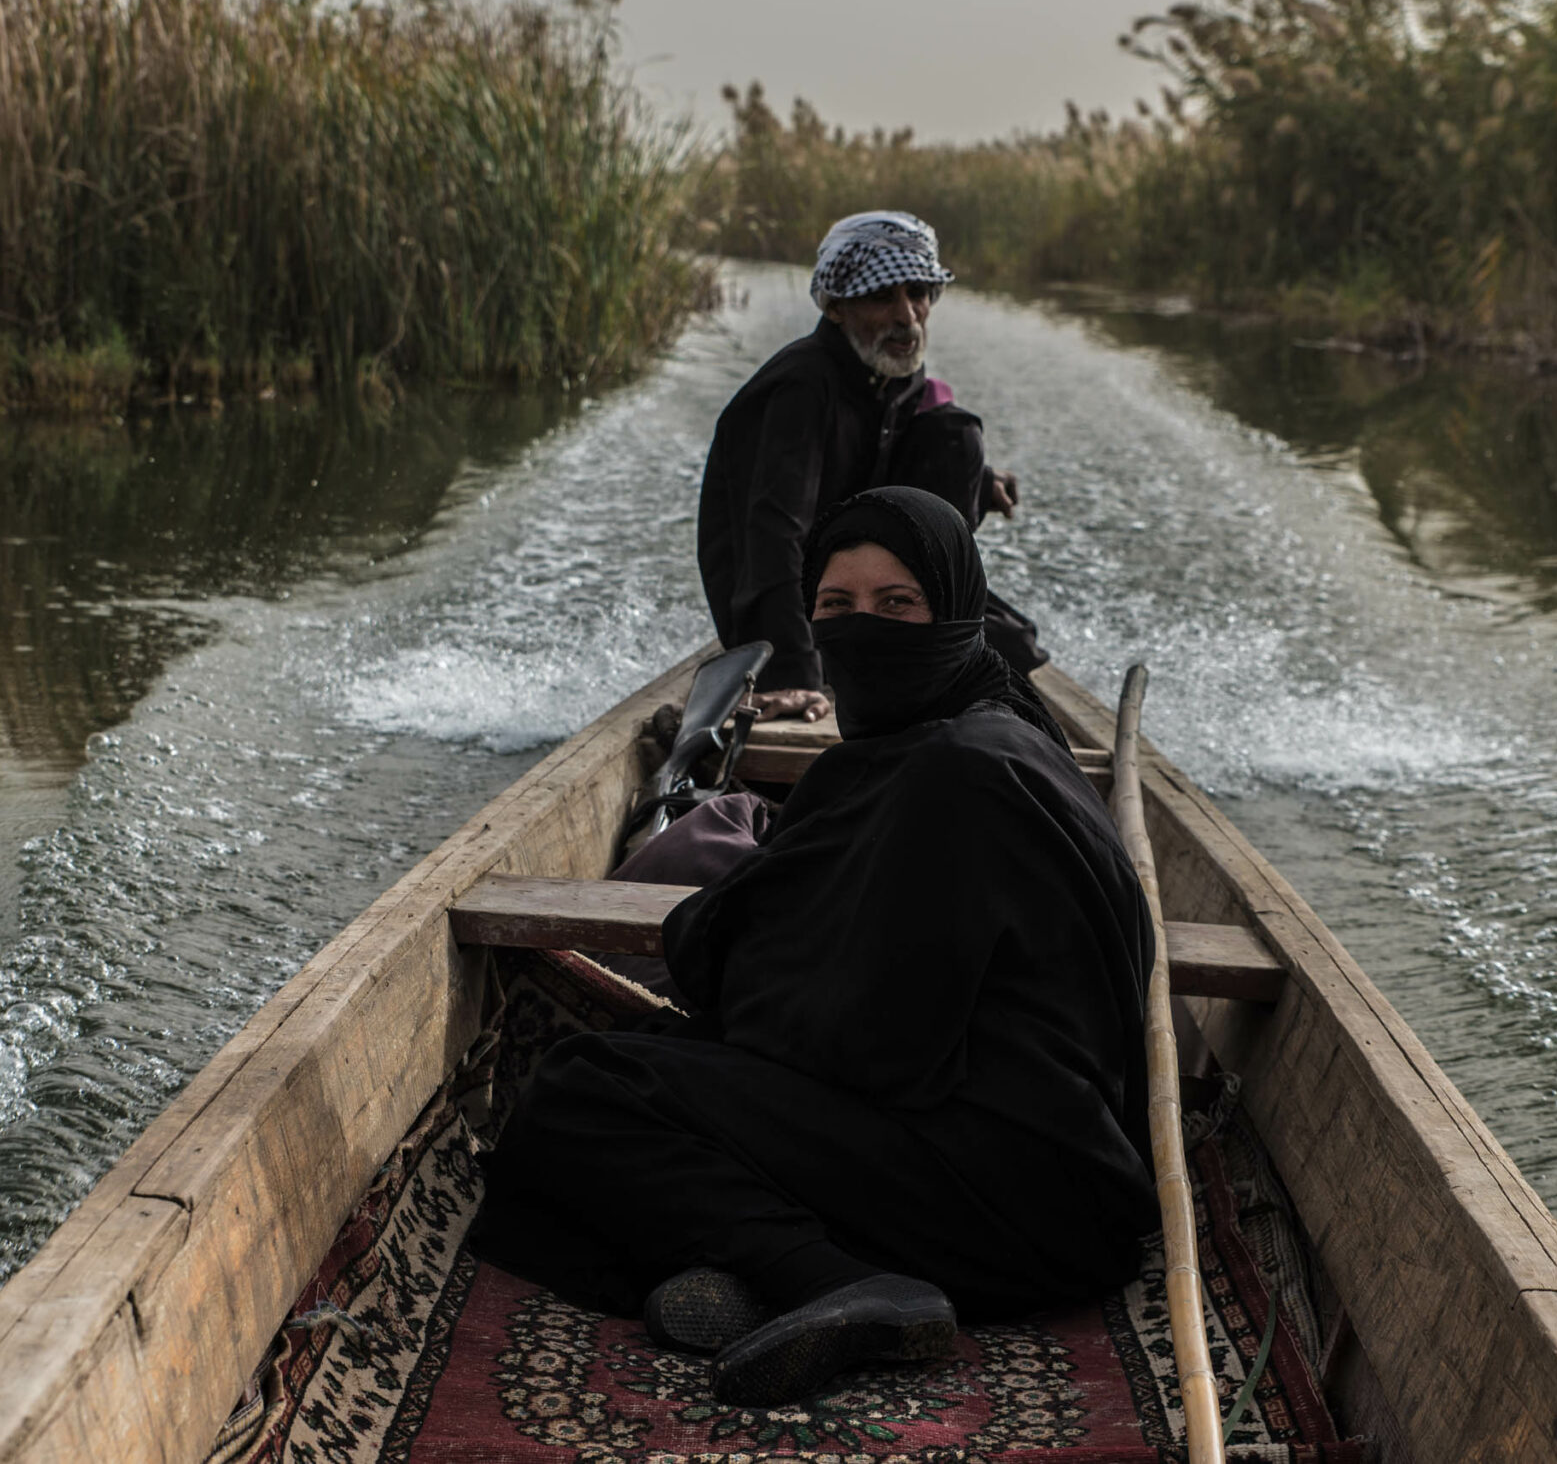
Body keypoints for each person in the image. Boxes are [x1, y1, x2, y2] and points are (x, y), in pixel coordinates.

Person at [469, 487, 1156, 1408]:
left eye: (897, 606)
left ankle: (834, 1280)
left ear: (956, 611)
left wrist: (723, 944)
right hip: (1049, 1178)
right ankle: (761, 1279)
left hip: (1010, 1203)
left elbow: (848, 1040)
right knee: (671, 1067)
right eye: (836, 609)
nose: (863, 632)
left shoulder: (955, 776)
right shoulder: (998, 739)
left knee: (583, 1090)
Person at [696, 212, 1043, 724]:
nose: (908, 316)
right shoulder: (801, 388)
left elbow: (891, 456)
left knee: (956, 438)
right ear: (837, 307)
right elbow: (771, 539)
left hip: (860, 585)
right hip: (791, 606)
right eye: (884, 299)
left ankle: (916, 637)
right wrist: (790, 673)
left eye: (919, 294)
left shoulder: (887, 371)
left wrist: (980, 478)